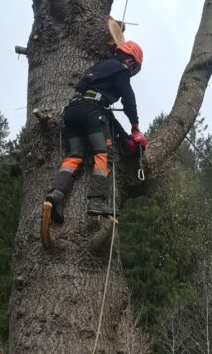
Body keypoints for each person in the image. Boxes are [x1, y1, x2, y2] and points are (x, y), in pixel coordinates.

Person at [44, 41, 147, 221]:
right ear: (130, 61)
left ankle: (57, 194)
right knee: (102, 153)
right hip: (92, 112)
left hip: (72, 112)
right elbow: (128, 100)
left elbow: (107, 116)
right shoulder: (120, 70)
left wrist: (124, 139)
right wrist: (135, 128)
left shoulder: (99, 68)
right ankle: (97, 201)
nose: (131, 70)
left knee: (75, 155)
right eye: (133, 67)